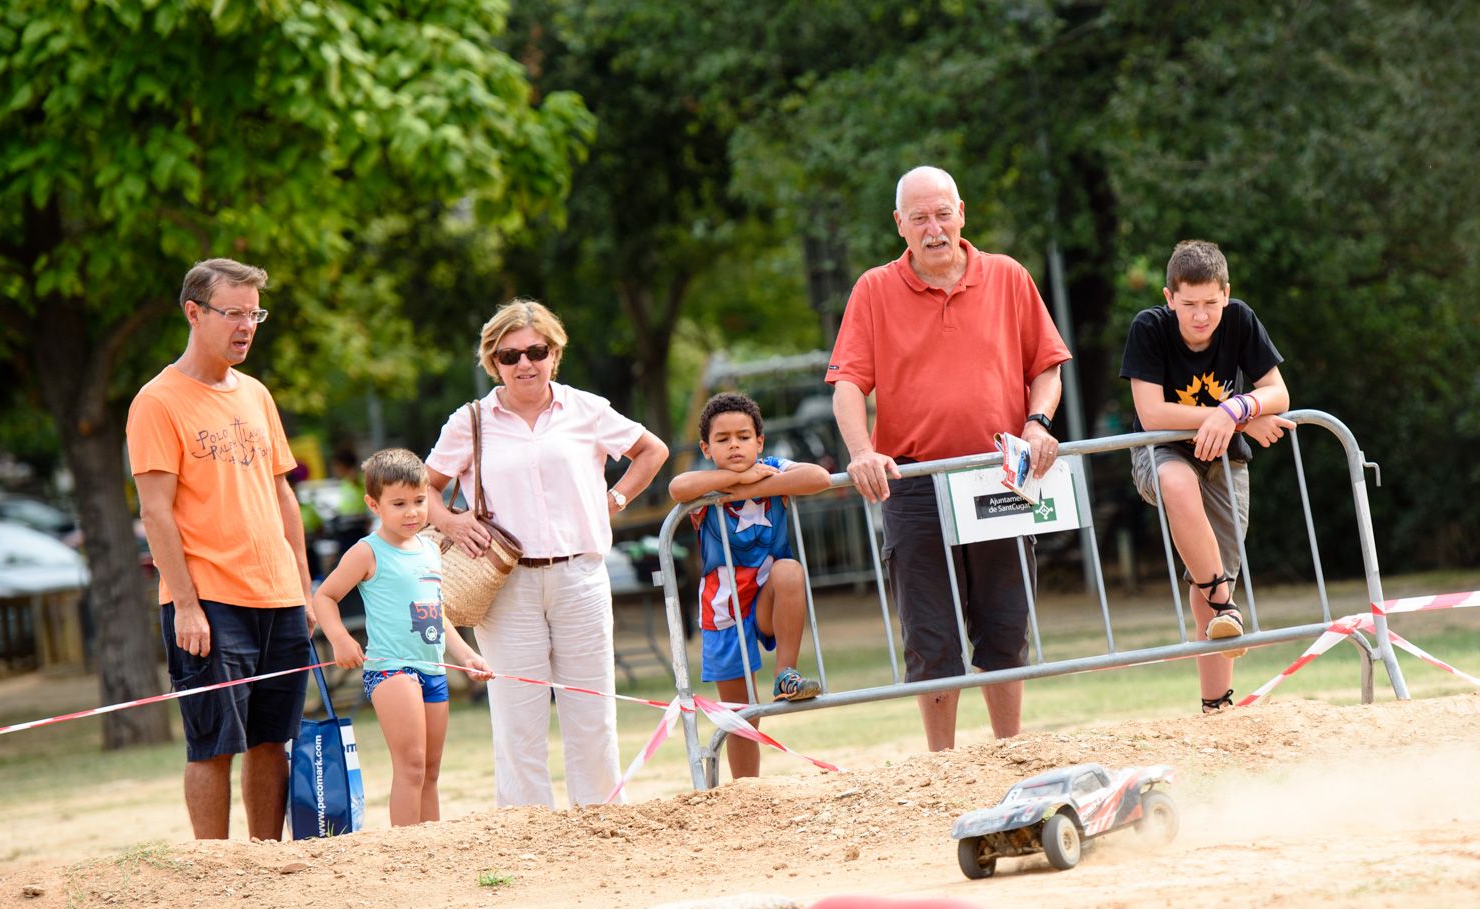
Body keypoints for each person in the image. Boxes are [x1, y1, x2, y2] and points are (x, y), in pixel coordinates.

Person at [827, 166, 1071, 750]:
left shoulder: (1008, 276)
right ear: (900, 225)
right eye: (920, 218)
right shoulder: (873, 289)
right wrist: (861, 452)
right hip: (914, 481)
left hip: (1002, 475)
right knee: (930, 636)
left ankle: (1009, 751)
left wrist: (1037, 422)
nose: (933, 229)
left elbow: (1047, 368)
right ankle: (944, 769)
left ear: (961, 213)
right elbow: (847, 384)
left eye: (942, 214)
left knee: (1005, 625)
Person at [425, 299, 669, 808]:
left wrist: (615, 500)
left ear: (555, 354)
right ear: (492, 362)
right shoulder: (470, 421)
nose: (525, 364)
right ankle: (525, 828)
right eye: (509, 355)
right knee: (517, 714)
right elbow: (424, 487)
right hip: (504, 583)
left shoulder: (587, 409)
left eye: (536, 351)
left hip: (580, 575)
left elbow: (653, 450)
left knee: (592, 710)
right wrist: (450, 520)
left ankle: (601, 820)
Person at [127, 258, 316, 840]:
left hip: (279, 597)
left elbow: (282, 494)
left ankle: (265, 861)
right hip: (209, 602)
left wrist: (303, 589)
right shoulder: (157, 401)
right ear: (194, 312)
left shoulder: (256, 394)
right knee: (213, 744)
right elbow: (155, 512)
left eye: (254, 314)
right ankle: (216, 873)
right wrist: (186, 605)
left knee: (271, 739)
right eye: (233, 313)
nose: (246, 326)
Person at [1120, 240, 1293, 712]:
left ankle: (1216, 705)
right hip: (1161, 451)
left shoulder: (1240, 319)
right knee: (1178, 486)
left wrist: (1235, 410)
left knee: (1214, 574)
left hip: (1225, 459)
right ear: (1169, 298)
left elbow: (1278, 393)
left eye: (1211, 303)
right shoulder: (1148, 327)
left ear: (1226, 294)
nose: (1201, 316)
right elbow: (1153, 414)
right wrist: (1236, 418)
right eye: (1189, 304)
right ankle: (1224, 606)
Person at [312, 448, 493, 826]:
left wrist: (465, 656)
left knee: (430, 771)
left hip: (434, 670)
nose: (412, 512)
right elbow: (324, 597)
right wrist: (341, 639)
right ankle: (406, 849)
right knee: (411, 766)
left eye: (419, 501)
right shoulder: (367, 552)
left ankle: (430, 845)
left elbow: (435, 612)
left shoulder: (430, 549)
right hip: (392, 670)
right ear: (373, 504)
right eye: (399, 504)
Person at [668, 392, 833, 779]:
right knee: (742, 713)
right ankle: (746, 791)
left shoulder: (773, 468)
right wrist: (737, 479)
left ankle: (785, 674)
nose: (734, 445)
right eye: (722, 439)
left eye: (743, 437)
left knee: (789, 570)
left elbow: (820, 477)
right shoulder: (704, 485)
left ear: (759, 441)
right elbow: (678, 486)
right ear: (706, 448)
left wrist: (753, 489)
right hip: (723, 611)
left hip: (766, 602)